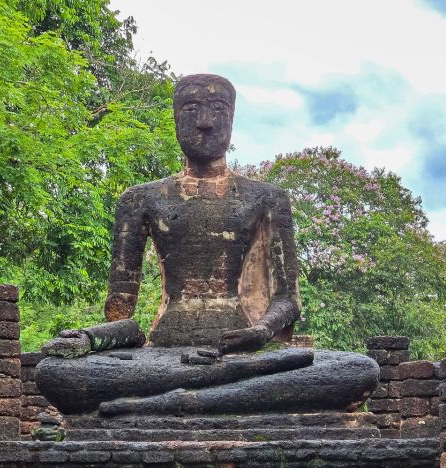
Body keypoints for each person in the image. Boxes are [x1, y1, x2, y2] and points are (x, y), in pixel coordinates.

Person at [36, 74, 378, 416]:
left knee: (357, 369)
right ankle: (221, 394)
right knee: (55, 374)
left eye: (217, 109)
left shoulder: (267, 197)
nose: (205, 123)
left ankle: (170, 403)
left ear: (231, 118)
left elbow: (287, 300)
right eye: (192, 109)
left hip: (243, 354)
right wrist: (89, 338)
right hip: (164, 357)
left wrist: (260, 332)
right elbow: (124, 320)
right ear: (176, 118)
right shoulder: (141, 198)